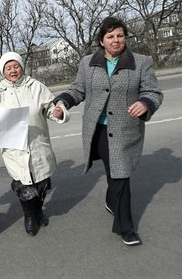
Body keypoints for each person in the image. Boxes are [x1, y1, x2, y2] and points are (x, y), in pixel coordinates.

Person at [53, 16, 163, 246]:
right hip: (97, 130)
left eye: (120, 35)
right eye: (110, 36)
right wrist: (62, 103)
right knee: (113, 172)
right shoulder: (87, 63)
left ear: (125, 38)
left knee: (120, 175)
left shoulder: (141, 62)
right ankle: (112, 201)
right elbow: (77, 90)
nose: (116, 40)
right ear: (101, 40)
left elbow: (153, 92)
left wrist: (145, 103)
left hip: (124, 130)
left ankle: (126, 227)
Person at [0, 52, 69, 236]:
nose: (13, 70)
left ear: (22, 67)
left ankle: (39, 211)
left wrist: (58, 112)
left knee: (41, 183)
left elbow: (49, 108)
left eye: (16, 66)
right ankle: (30, 216)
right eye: (8, 68)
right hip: (14, 149)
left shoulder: (36, 86)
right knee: (24, 186)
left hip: (37, 143)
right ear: (3, 71)